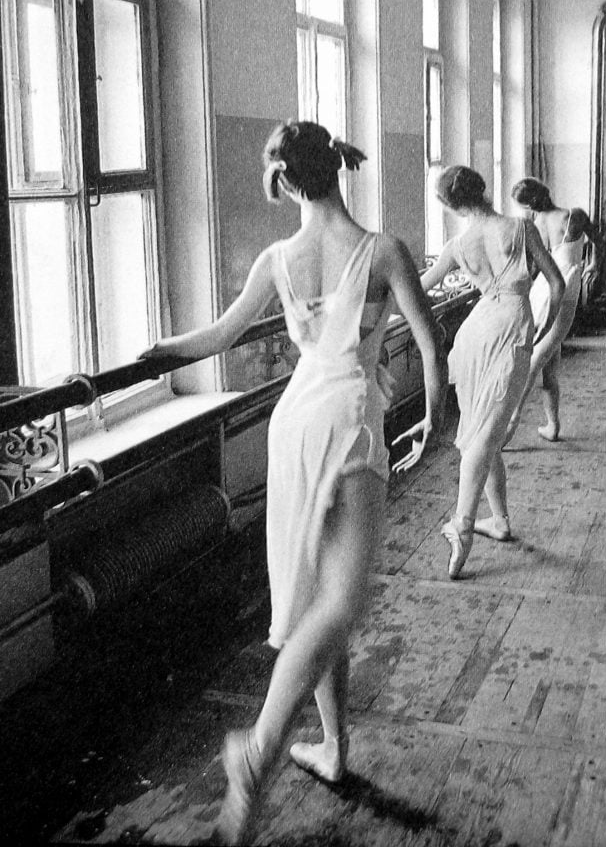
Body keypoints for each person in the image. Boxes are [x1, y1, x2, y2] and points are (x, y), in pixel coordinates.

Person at [140, 121, 447, 844]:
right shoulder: (382, 251)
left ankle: (334, 749)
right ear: (338, 167)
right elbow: (430, 346)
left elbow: (215, 337)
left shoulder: (278, 257)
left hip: (295, 422)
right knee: (341, 602)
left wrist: (152, 356)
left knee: (314, 598)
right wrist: (434, 421)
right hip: (350, 419)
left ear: (285, 181)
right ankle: (261, 746)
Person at [420, 166, 564, 577]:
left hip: (475, 332)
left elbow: (416, 289)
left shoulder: (458, 244)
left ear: (450, 205)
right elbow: (556, 284)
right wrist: (546, 325)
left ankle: (498, 522)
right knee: (484, 434)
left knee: (482, 431)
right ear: (482, 188)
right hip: (512, 326)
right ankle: (463, 526)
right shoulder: (520, 228)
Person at [503, 178, 601, 445]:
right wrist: (593, 263)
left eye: (524, 207)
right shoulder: (575, 215)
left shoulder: (537, 225)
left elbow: (534, 267)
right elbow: (597, 239)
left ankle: (507, 428)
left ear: (531, 205)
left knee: (532, 363)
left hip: (554, 290)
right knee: (548, 368)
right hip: (563, 288)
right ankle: (552, 425)